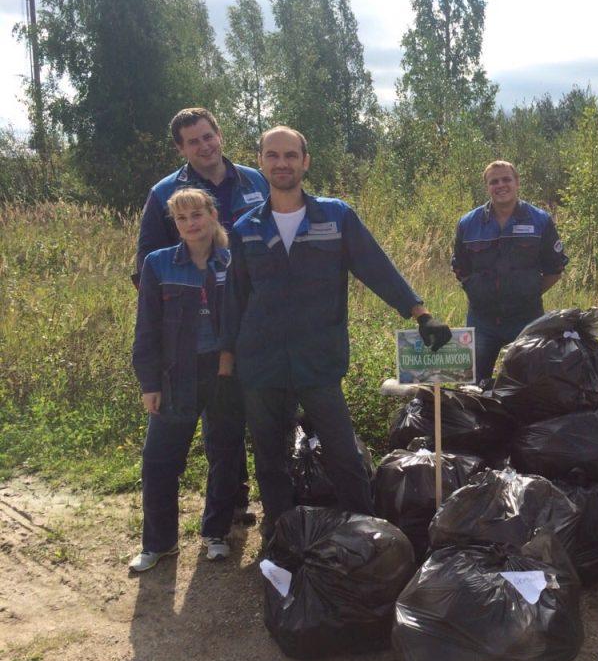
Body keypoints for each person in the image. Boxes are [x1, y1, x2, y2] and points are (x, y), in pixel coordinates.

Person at [221, 126, 451, 534]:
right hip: (262, 362)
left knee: (343, 452)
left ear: (305, 161)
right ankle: (281, 534)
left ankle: (367, 537)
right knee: (269, 456)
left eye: (291, 155)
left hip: (318, 359)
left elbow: (376, 268)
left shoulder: (336, 217)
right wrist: (226, 359)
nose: (282, 163)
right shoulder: (245, 229)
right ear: (260, 161)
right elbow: (235, 296)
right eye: (272, 155)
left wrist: (419, 312)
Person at [135, 107, 267, 523]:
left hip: (251, 322)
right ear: (181, 148)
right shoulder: (163, 194)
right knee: (211, 423)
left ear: (220, 135)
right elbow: (148, 266)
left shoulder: (255, 180)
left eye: (208, 136)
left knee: (232, 419)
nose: (204, 146)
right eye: (193, 141)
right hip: (192, 333)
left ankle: (233, 501)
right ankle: (221, 512)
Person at [129, 188, 245, 572]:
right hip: (176, 375)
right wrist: (149, 383)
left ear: (213, 216)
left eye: (197, 215)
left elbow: (246, 317)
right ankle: (159, 543)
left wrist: (233, 358)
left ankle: (216, 533)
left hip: (226, 373)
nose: (191, 224)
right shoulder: (158, 264)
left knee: (225, 453)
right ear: (175, 225)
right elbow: (146, 327)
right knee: (160, 460)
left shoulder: (233, 260)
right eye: (181, 218)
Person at [451, 160, 568, 381]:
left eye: (506, 179)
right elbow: (460, 268)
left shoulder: (540, 220)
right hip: (481, 321)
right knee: (474, 388)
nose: (501, 185)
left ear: (517, 182)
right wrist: (479, 291)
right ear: (487, 187)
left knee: (528, 386)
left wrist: (527, 292)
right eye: (494, 181)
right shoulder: (468, 223)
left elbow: (555, 269)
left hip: (526, 319)